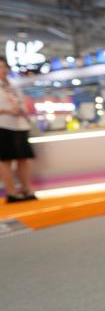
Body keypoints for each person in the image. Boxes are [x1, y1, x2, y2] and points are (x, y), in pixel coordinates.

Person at [0, 59, 35, 203]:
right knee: (6, 160)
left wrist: (22, 110)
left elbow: (23, 103)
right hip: (3, 125)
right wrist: (7, 110)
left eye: (3, 67)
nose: (2, 70)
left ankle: (26, 189)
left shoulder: (12, 85)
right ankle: (11, 192)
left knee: (23, 158)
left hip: (20, 125)